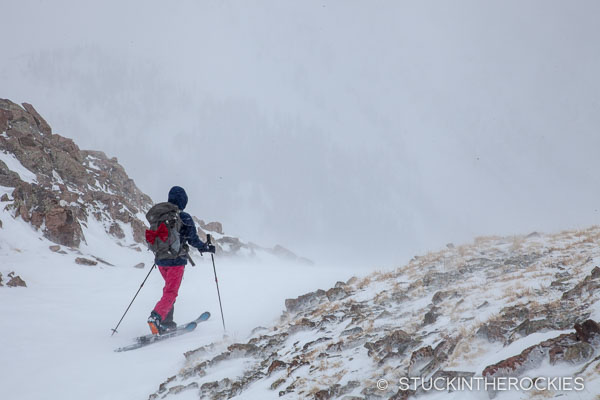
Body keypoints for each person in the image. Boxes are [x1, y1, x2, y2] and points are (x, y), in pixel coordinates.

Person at [147, 186, 215, 335]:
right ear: (183, 201)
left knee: (168, 290)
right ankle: (156, 317)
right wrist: (205, 247)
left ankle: (167, 322)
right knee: (171, 292)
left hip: (160, 260)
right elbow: (193, 240)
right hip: (176, 261)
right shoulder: (183, 217)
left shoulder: (161, 216)